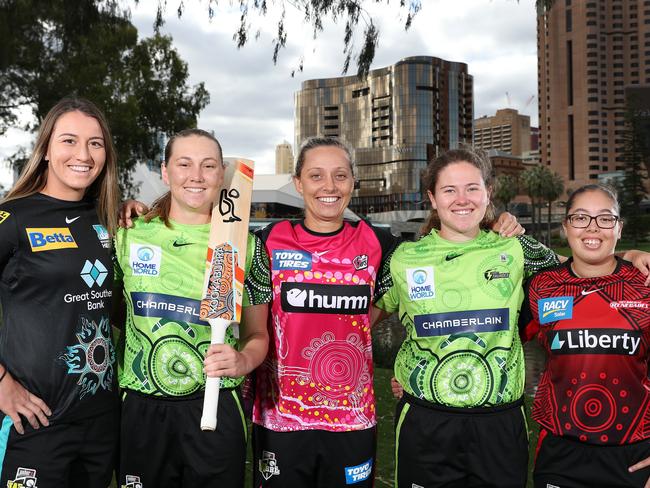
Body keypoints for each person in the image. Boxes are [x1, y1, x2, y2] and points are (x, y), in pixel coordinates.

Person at [119, 137, 522, 487]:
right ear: (298, 183)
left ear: (352, 183)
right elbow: (253, 323)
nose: (328, 186)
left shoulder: (383, 245)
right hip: (280, 420)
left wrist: (499, 222)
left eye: (340, 176)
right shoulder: (266, 241)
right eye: (315, 176)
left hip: (351, 420)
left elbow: (393, 304)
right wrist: (138, 208)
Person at [375, 148, 650, 488]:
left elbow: (583, 265)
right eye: (449, 190)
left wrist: (629, 255)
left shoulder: (517, 248)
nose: (462, 199)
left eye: (472, 188)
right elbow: (357, 323)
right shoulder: (403, 259)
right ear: (432, 197)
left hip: (500, 423)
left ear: (488, 193)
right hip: (426, 421)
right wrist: (403, 371)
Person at [113, 128, 272, 487]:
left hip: (216, 404)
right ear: (166, 172)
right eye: (184, 164)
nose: (196, 176)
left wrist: (244, 360)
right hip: (140, 407)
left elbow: (258, 334)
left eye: (208, 166)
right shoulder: (128, 234)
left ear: (221, 175)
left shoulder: (247, 246)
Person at [0, 97, 120, 487]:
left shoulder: (109, 218)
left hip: (102, 420)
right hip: (35, 420)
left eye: (95, 143)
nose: (83, 154)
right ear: (47, 150)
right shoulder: (13, 217)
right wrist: (1, 383)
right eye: (69, 141)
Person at [520, 184, 650, 488]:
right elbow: (497, 341)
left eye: (605, 219)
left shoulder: (644, 283)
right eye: (580, 218)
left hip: (634, 456)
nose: (593, 228)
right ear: (566, 226)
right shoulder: (542, 286)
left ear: (619, 228)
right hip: (560, 454)